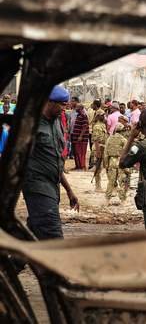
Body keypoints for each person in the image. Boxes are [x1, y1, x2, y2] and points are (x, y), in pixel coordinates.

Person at [23, 86, 79, 240]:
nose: (64, 108)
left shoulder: (56, 123)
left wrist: (69, 191)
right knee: (52, 235)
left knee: (34, 230)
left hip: (52, 187)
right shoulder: (31, 124)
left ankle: (14, 262)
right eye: (61, 104)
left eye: (66, 104)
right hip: (37, 186)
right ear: (48, 102)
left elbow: (54, 161)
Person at [104, 123, 128, 205]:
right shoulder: (124, 140)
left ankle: (107, 199)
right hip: (120, 161)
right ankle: (123, 200)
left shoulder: (109, 139)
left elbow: (106, 153)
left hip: (111, 161)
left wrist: (106, 165)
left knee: (111, 181)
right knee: (122, 181)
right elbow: (126, 153)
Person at [91, 109, 108, 192]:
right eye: (102, 115)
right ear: (98, 116)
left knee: (104, 166)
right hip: (98, 147)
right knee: (98, 167)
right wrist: (98, 151)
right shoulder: (97, 126)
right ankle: (97, 186)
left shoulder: (103, 125)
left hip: (103, 147)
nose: (104, 116)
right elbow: (96, 140)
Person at [70, 104, 90, 170]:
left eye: (77, 107)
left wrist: (81, 136)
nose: (76, 108)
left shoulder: (83, 116)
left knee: (81, 152)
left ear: (81, 108)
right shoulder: (78, 115)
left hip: (81, 138)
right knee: (76, 152)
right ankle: (77, 166)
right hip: (76, 137)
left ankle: (82, 166)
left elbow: (84, 127)